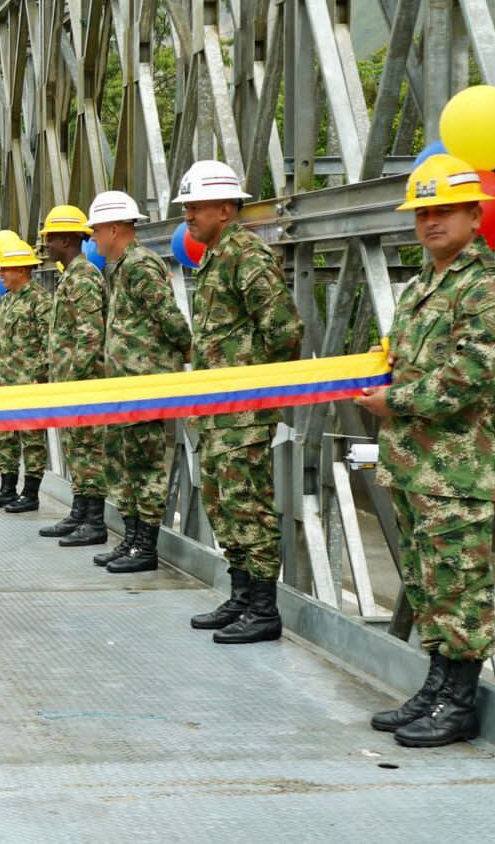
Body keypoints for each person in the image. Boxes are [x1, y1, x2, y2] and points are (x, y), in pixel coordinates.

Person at [355, 155, 495, 747]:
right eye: (423, 212)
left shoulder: (490, 286)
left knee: (459, 587)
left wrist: (393, 401)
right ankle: (436, 688)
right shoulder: (423, 286)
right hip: (413, 464)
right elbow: (403, 359)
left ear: (476, 216)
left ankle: (460, 703)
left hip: (457, 468)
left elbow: (471, 377)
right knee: (429, 585)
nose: (431, 222)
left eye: (444, 211)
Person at [175, 159, 305, 644]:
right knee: (223, 503)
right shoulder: (216, 257)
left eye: (196, 207)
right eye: (186, 207)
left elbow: (285, 329)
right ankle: (242, 594)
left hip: (243, 412)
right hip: (218, 410)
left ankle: (264, 608)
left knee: (247, 504)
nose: (188, 215)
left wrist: (258, 388)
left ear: (226, 209)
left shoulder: (246, 256)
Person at [86, 192, 192, 573]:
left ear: (115, 229)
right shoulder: (122, 266)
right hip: (124, 384)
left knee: (144, 467)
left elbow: (168, 315)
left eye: (96, 231)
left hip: (143, 384)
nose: (93, 239)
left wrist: (186, 350)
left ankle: (145, 546)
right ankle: (131, 538)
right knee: (122, 463)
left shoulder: (140, 265)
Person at [37, 206, 113, 547]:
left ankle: (94, 522)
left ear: (67, 239)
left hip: (82, 383)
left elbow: (90, 335)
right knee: (76, 449)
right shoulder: (71, 274)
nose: (46, 245)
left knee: (89, 450)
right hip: (70, 382)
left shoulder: (83, 277)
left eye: (50, 238)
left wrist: (74, 382)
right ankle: (80, 512)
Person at [0, 235, 50, 511]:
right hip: (6, 381)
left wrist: (40, 376)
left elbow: (48, 341)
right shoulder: (7, 300)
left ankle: (30, 493)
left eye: (5, 270)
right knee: (5, 435)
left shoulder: (39, 301)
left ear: (22, 270)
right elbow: (2, 340)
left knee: (32, 439)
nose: (1, 274)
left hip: (29, 382)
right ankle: (7, 488)